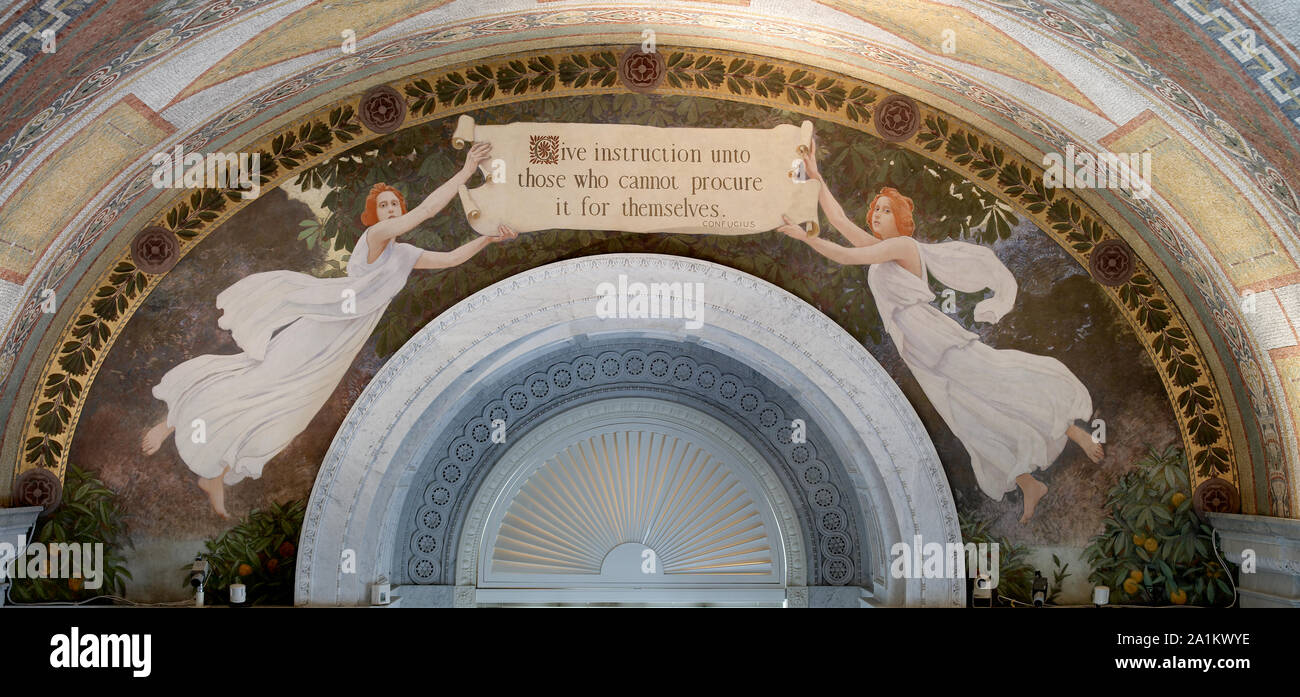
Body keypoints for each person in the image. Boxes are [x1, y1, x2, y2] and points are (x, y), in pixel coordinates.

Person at [141, 142, 516, 518]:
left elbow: (451, 258)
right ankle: (171, 422)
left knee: (290, 414)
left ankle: (217, 472)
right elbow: (427, 210)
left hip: (342, 345)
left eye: (393, 204)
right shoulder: (375, 238)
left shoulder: (404, 255)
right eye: (383, 206)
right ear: (375, 216)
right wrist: (467, 171)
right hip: (321, 329)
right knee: (258, 381)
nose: (389, 209)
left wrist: (487, 238)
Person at [777, 140, 1102, 523]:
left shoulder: (901, 245)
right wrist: (815, 177)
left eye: (885, 211)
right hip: (916, 348)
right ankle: (1027, 481)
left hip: (936, 339)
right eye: (875, 210)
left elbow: (847, 255)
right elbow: (842, 225)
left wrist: (807, 238)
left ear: (901, 220)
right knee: (967, 417)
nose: (877, 215)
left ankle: (1071, 429)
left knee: (996, 383)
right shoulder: (884, 249)